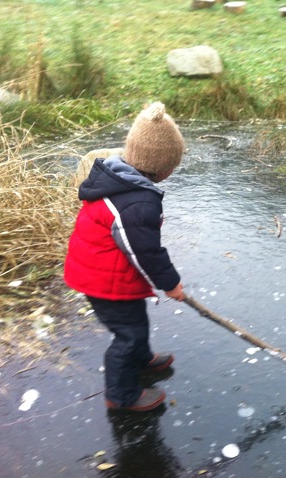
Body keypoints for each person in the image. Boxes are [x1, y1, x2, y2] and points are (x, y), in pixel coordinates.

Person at [64, 102, 186, 412]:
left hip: (105, 270)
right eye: (173, 165)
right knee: (127, 335)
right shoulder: (138, 202)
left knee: (135, 322)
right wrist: (170, 283)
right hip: (105, 280)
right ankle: (122, 396)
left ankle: (142, 359)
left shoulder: (119, 178)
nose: (173, 170)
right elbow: (144, 251)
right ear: (159, 166)